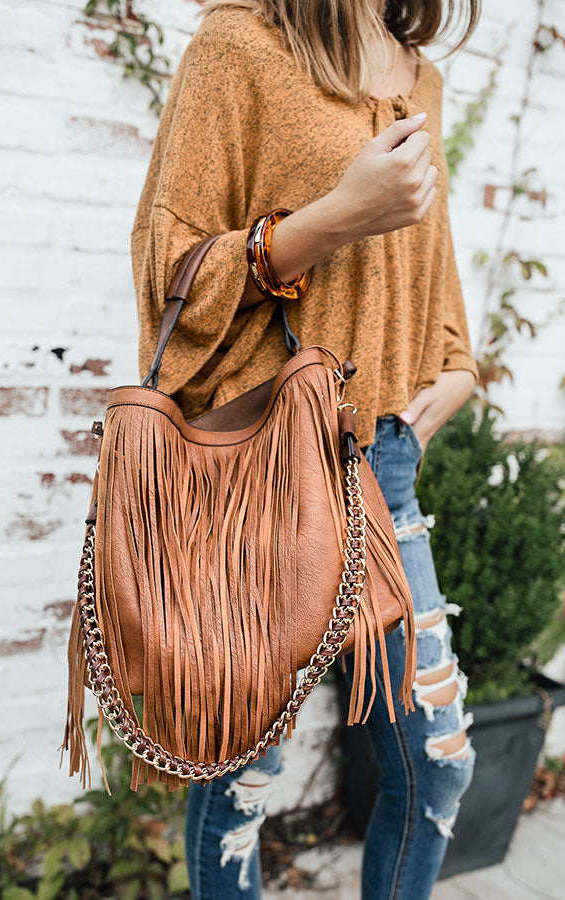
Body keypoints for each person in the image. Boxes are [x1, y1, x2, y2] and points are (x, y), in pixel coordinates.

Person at [130, 1, 481, 897]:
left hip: (386, 462)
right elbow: (164, 270)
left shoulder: (417, 72)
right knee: (242, 774)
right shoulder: (240, 46)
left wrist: (456, 359)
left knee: (435, 766)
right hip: (263, 470)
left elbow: (425, 255)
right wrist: (331, 218)